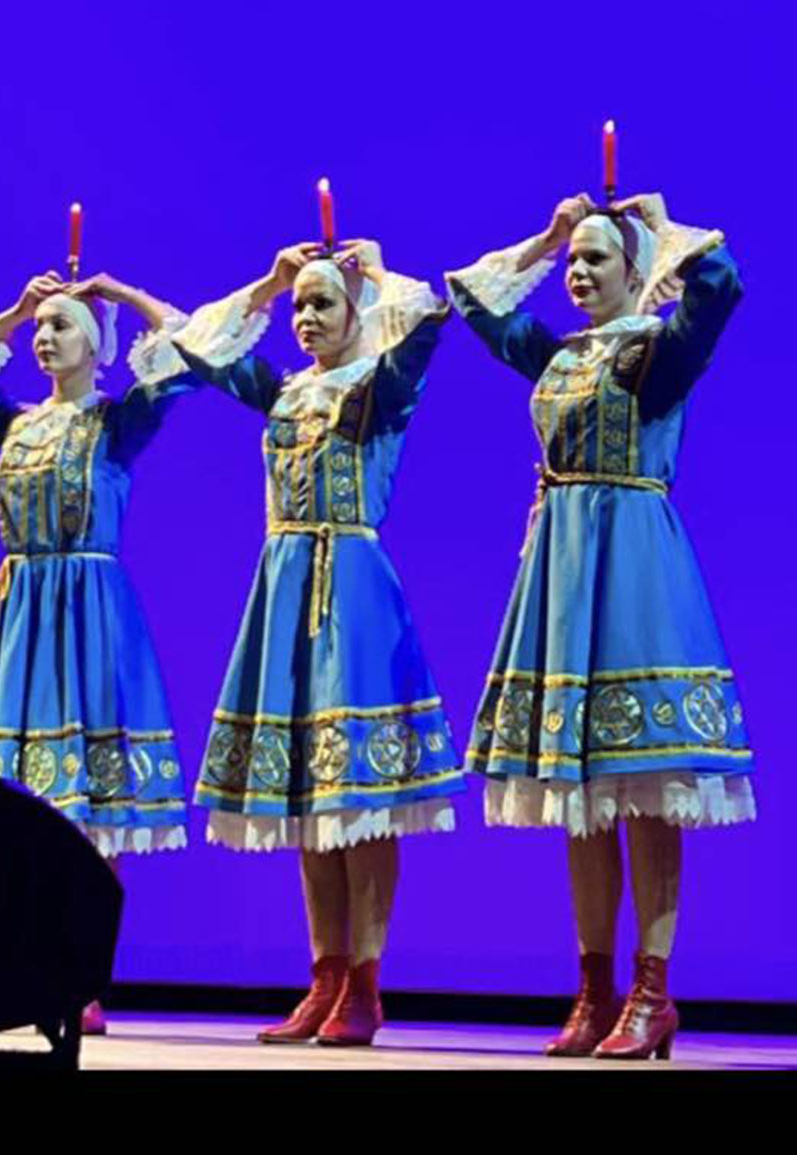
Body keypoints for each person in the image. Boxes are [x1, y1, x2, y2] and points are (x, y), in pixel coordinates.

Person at [446, 192, 756, 1060]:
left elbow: (720, 286)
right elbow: (473, 297)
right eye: (573, 262)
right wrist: (545, 235)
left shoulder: (657, 353)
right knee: (580, 801)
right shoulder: (556, 358)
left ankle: (653, 993)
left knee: (648, 792)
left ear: (634, 272)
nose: (578, 274)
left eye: (593, 260)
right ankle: (594, 988)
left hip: (634, 572)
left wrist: (659, 229)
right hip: (563, 573)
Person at [146, 239, 464, 1046]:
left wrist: (379, 268)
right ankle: (322, 974)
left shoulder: (377, 392)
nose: (307, 317)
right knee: (303, 800)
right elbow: (194, 348)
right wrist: (267, 282)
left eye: (324, 303)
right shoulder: (284, 394)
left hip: (351, 587)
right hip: (284, 585)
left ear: (357, 312)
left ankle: (365, 979)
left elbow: (427, 320)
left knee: (358, 799)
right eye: (301, 308)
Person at [0, 269, 193, 1033]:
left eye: (61, 325)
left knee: (90, 812)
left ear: (97, 345)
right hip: (19, 615)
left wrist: (127, 294)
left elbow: (188, 347)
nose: (45, 337)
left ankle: (80, 971)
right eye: (41, 328)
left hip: (87, 616)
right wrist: (11, 310)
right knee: (17, 803)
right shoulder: (14, 423)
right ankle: (18, 962)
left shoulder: (117, 423)